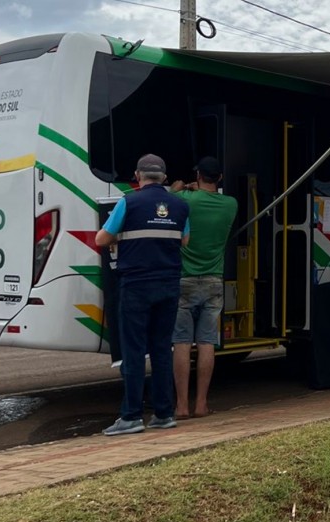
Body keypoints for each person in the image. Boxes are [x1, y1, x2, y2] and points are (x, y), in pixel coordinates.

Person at [95, 154, 190, 436]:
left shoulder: (128, 202)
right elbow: (185, 240)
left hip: (136, 285)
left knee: (134, 351)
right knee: (162, 349)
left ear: (138, 176)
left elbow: (101, 239)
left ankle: (132, 416)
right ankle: (163, 414)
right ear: (164, 177)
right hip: (169, 284)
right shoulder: (180, 205)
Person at [169, 156, 238, 419]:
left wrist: (178, 189)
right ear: (220, 178)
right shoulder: (231, 204)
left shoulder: (183, 200)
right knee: (207, 342)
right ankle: (201, 404)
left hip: (183, 278)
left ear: (197, 175)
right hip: (213, 280)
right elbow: (212, 195)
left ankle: (181, 406)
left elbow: (171, 199)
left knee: (182, 343)